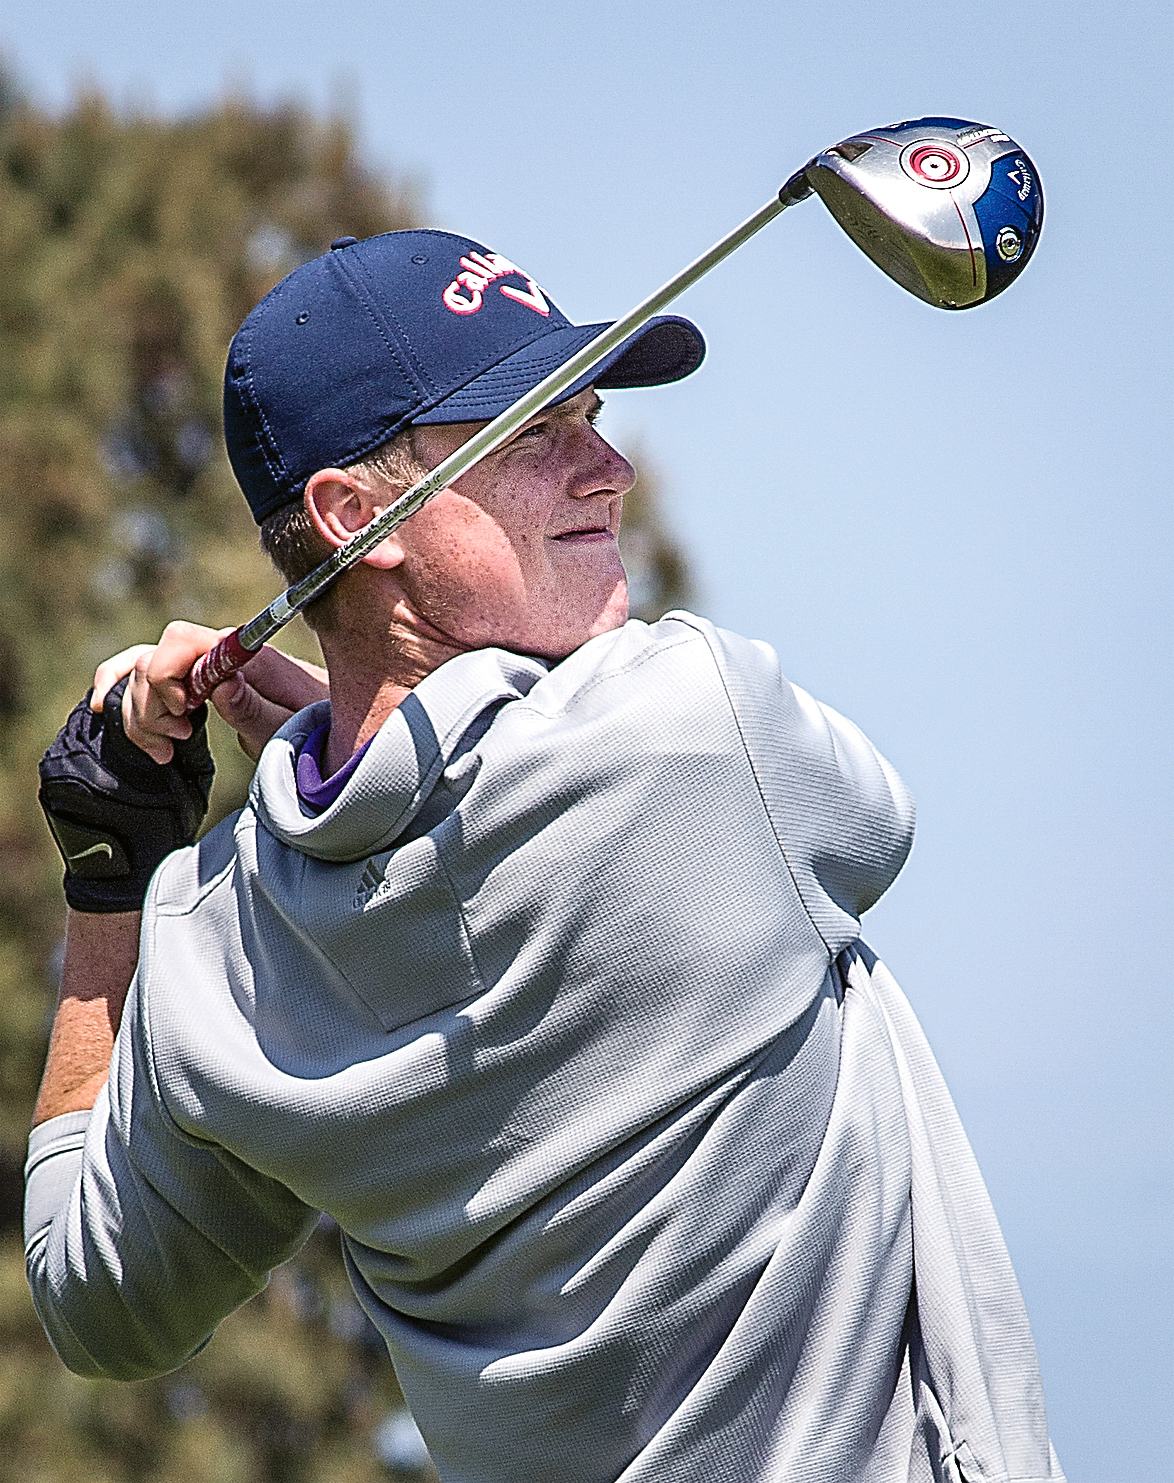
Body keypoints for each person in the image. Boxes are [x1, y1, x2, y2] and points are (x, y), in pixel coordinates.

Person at [26, 229, 1065, 1483]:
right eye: (533, 433)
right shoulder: (698, 724)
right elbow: (869, 820)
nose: (611, 468)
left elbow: (96, 1306)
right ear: (360, 517)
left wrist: (114, 868)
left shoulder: (215, 951)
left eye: (593, 415)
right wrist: (338, 735)